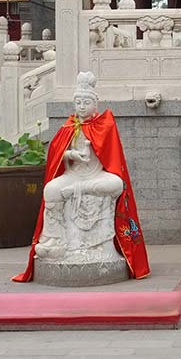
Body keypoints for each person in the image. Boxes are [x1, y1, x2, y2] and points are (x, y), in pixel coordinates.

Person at [13, 71, 149, 282]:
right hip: (73, 175)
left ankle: (83, 202)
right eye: (78, 102)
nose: (82, 107)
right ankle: (54, 240)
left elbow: (113, 159)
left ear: (95, 104)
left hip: (96, 176)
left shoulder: (105, 125)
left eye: (86, 102)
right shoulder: (69, 127)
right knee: (51, 189)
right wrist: (70, 155)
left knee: (116, 183)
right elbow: (56, 153)